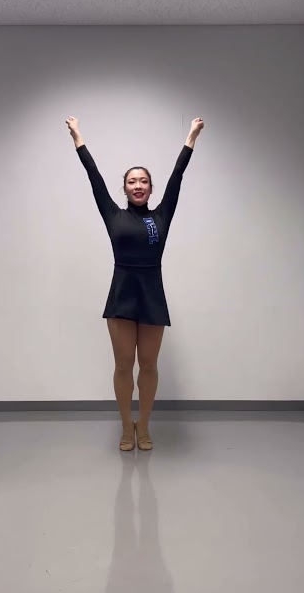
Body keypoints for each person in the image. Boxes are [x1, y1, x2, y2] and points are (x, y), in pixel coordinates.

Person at [66, 115, 204, 451]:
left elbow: (177, 176)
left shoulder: (161, 216)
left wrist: (191, 137)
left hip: (152, 296)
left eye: (143, 181)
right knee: (123, 365)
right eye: (132, 181)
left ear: (151, 188)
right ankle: (126, 426)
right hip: (122, 297)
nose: (138, 185)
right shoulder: (114, 215)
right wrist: (78, 138)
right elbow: (94, 176)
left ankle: (144, 425)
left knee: (150, 365)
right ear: (125, 188)